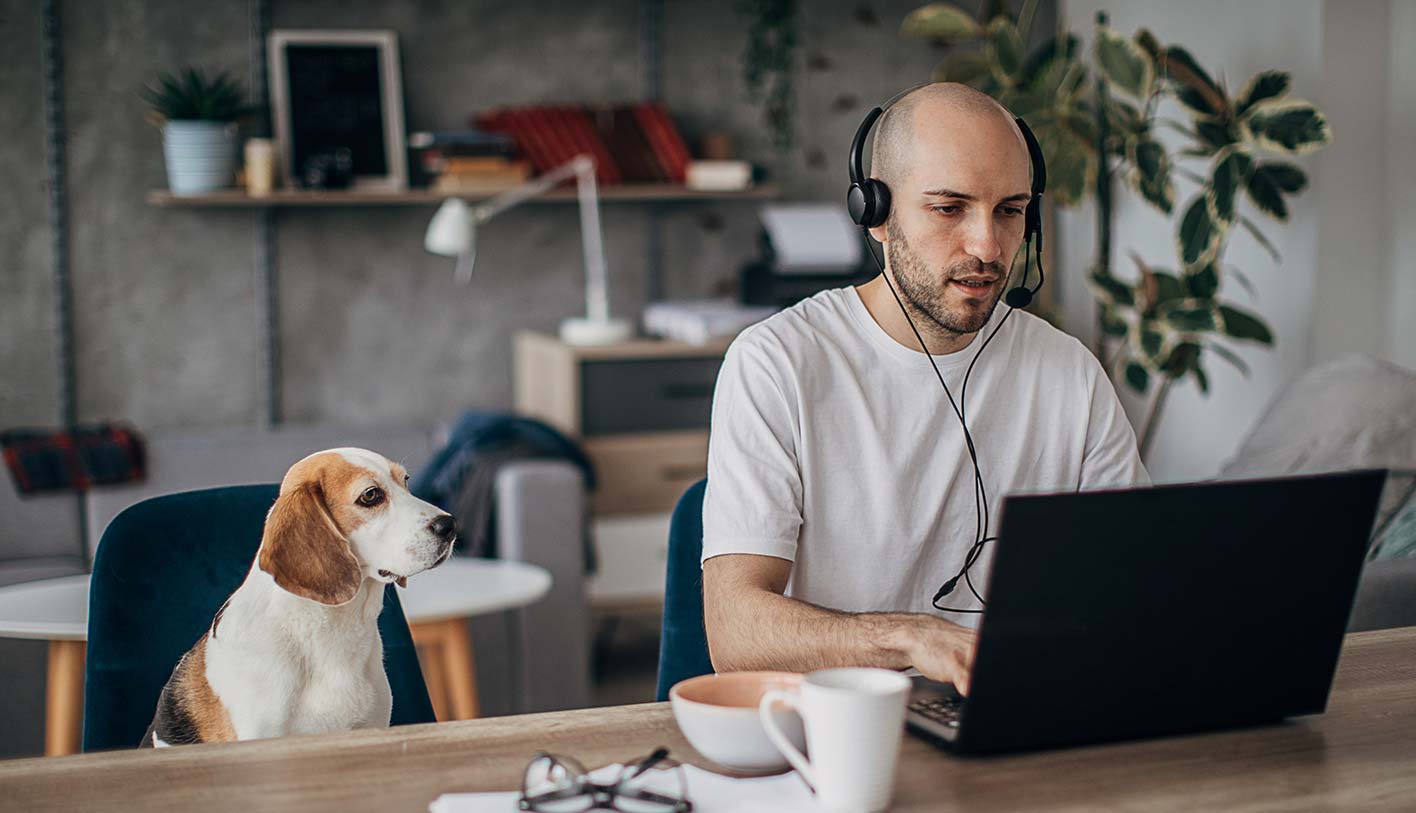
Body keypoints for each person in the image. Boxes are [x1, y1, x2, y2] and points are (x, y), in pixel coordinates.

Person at [700, 83, 1149, 694]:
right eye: (949, 208)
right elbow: (735, 636)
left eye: (1010, 211)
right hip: (841, 727)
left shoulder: (1069, 371)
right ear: (876, 214)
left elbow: (1133, 587)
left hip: (1017, 709)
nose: (987, 246)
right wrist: (911, 639)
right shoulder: (777, 362)